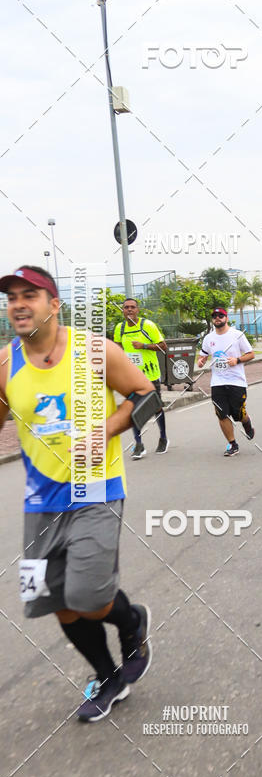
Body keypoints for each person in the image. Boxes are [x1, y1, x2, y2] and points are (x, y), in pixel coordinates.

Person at [0, 265, 155, 721]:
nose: (19, 304)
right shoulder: (7, 364)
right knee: (54, 602)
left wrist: (105, 430)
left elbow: (147, 395)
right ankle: (107, 678)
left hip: (96, 490)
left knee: (88, 595)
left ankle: (132, 622)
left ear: (54, 304)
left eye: (30, 295)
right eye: (12, 298)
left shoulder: (94, 351)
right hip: (39, 500)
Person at [113, 298, 168, 458]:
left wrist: (144, 346)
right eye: (126, 307)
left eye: (132, 307)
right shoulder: (119, 328)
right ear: (122, 310)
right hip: (131, 377)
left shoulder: (147, 326)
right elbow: (118, 349)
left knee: (156, 407)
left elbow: (163, 346)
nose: (129, 310)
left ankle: (163, 438)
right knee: (132, 409)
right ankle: (139, 444)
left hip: (150, 374)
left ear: (137, 310)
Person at [197, 308, 256, 456]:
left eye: (220, 316)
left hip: (236, 381)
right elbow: (203, 355)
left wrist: (237, 360)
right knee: (221, 414)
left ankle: (246, 422)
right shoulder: (208, 338)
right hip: (217, 382)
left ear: (226, 318)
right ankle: (232, 444)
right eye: (215, 316)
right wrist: (201, 361)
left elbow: (251, 354)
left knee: (238, 413)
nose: (217, 318)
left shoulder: (237, 335)